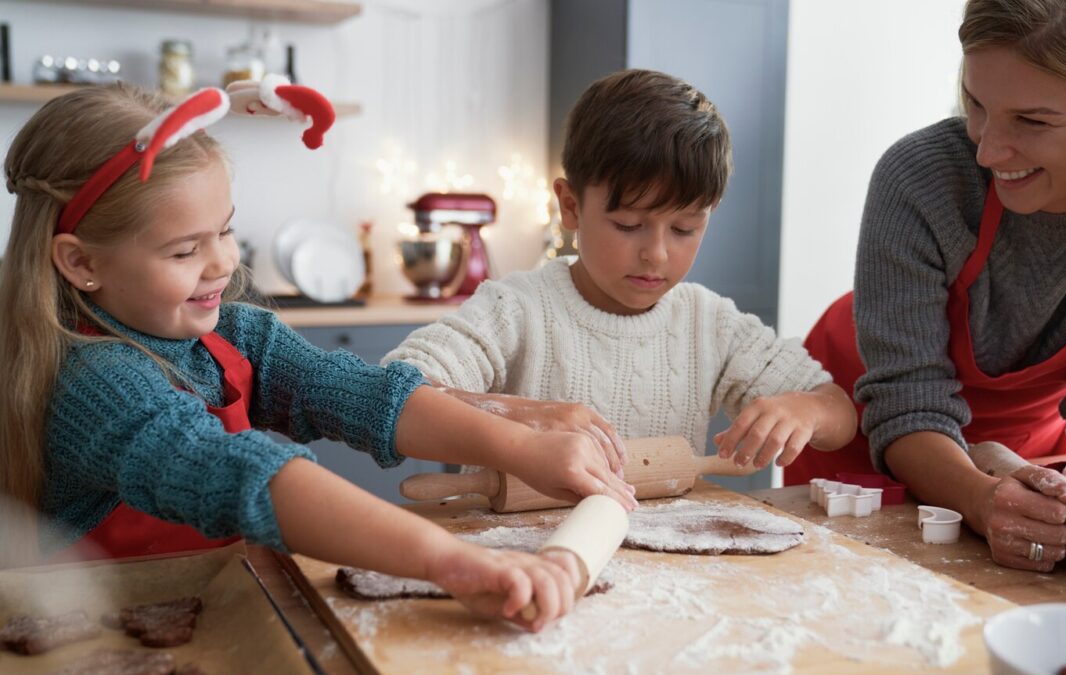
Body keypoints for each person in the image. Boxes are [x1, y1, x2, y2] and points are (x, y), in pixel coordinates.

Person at [0, 82, 636, 632]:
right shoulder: (94, 380)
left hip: (211, 601)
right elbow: (243, 474)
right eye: (183, 250)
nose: (224, 263)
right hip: (93, 633)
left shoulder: (236, 334)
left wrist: (521, 448)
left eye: (224, 230)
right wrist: (448, 559)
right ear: (81, 262)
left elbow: (357, 394)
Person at [383, 69, 857, 475]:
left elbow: (839, 413)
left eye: (684, 229)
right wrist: (526, 417)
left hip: (663, 566)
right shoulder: (516, 309)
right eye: (629, 225)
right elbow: (393, 390)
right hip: (523, 558)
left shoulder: (710, 325)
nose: (656, 253)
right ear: (571, 206)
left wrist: (806, 409)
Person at [785, 0, 1066, 573]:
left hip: (1029, 448)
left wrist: (1052, 498)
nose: (988, 149)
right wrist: (977, 496)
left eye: (1032, 121)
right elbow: (907, 403)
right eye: (976, 103)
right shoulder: (923, 177)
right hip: (864, 428)